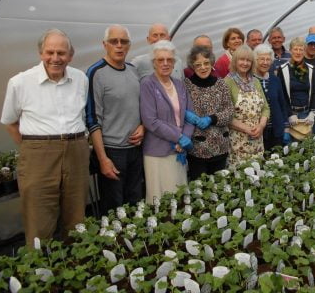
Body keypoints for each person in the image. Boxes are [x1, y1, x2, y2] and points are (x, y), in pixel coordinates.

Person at [0, 29, 89, 246]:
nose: (56, 58)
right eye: (50, 52)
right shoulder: (20, 82)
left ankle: (76, 265)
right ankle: (40, 272)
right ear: (41, 53)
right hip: (38, 154)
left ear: (70, 55)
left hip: (76, 149)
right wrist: (35, 148)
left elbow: (82, 115)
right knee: (39, 219)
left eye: (62, 53)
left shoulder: (80, 79)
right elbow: (10, 122)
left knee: (76, 217)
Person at [85, 25, 144, 215]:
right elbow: (93, 119)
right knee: (114, 210)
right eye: (114, 41)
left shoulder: (133, 71)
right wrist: (103, 159)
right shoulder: (96, 73)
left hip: (135, 149)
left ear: (129, 45)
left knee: (135, 203)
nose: (119, 46)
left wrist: (143, 127)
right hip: (112, 151)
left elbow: (141, 106)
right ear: (105, 44)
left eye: (124, 42)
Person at [139, 40, 194, 204]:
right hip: (157, 152)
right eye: (160, 60)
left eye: (169, 60)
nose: (165, 63)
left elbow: (189, 115)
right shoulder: (147, 84)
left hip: (179, 151)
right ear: (153, 63)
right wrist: (179, 137)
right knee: (161, 199)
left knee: (179, 196)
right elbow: (150, 120)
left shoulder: (179, 84)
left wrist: (186, 138)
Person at [183, 46, 233, 180]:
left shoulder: (221, 84)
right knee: (200, 189)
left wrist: (212, 118)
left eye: (206, 63)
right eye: (198, 65)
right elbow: (180, 109)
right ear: (192, 67)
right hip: (197, 149)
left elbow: (229, 111)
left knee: (219, 188)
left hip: (220, 146)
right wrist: (187, 115)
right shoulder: (186, 86)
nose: (203, 67)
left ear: (211, 63)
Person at [224, 45, 270, 166]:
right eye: (242, 59)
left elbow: (265, 108)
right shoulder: (227, 82)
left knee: (257, 173)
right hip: (238, 141)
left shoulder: (255, 81)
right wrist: (246, 129)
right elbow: (226, 115)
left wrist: (261, 125)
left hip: (257, 139)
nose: (245, 63)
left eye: (248, 60)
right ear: (235, 61)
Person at [277, 37, 315, 140]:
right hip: (291, 116)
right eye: (295, 49)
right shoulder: (283, 70)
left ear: (304, 51)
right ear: (290, 50)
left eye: (301, 49)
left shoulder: (310, 69)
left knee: (307, 147)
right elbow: (281, 95)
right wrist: (290, 114)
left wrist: (312, 113)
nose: (298, 52)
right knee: (291, 148)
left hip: (306, 114)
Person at [253, 44, 291, 150]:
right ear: (255, 60)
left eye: (268, 59)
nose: (265, 62)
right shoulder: (250, 80)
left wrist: (286, 128)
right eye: (262, 59)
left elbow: (282, 104)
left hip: (276, 130)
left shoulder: (275, 79)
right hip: (258, 131)